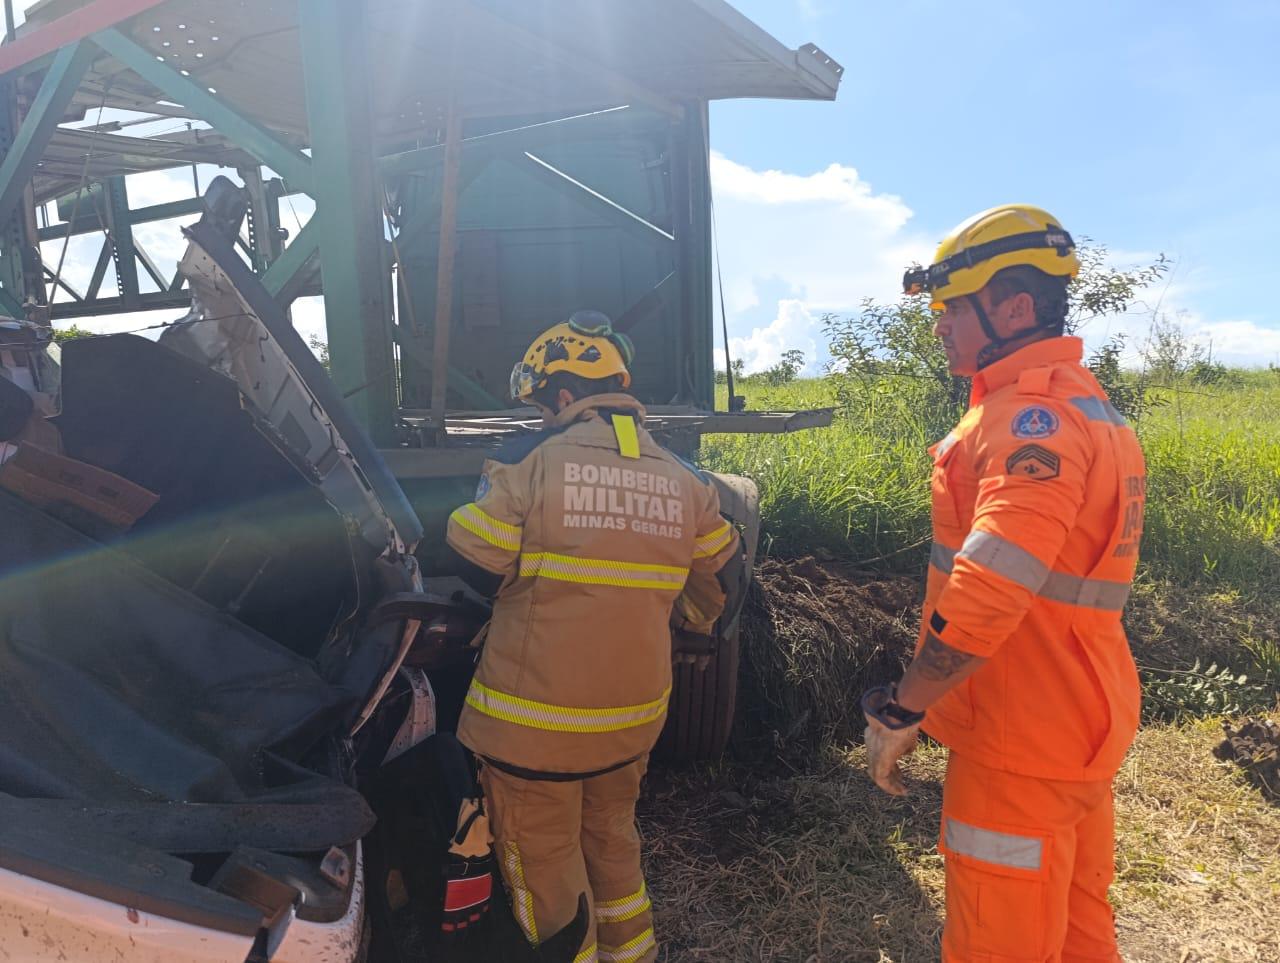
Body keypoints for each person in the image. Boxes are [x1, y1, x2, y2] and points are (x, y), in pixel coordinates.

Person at [862, 205, 1147, 961]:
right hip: (1077, 722)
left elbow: (988, 593)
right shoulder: (1086, 406)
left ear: (1012, 307)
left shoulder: (1032, 421)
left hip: (1020, 738)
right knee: (1080, 931)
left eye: (951, 306)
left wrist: (903, 707)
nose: (938, 324)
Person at [446, 311, 740, 963]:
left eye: (543, 402)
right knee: (611, 844)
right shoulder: (685, 479)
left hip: (533, 732)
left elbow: (476, 564)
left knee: (545, 870)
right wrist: (686, 620)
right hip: (631, 723)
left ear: (563, 393)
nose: (542, 415)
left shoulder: (532, 461)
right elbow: (724, 587)